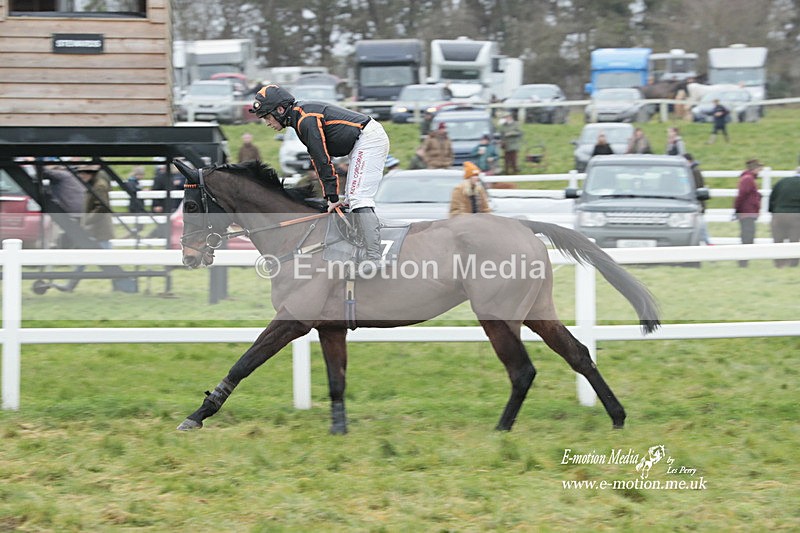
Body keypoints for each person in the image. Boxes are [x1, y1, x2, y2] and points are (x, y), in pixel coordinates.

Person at [250, 83, 390, 273]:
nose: (267, 122)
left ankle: (374, 258)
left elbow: (322, 160)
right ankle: (361, 249)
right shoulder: (299, 116)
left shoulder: (305, 119)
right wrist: (332, 196)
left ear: (280, 110)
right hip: (362, 141)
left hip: (368, 139)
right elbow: (319, 161)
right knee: (350, 199)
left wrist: (331, 197)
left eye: (267, 116)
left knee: (359, 198)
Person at [768, 167, 800, 267]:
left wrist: (773, 212)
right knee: (794, 240)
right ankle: (793, 264)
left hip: (778, 215)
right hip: (796, 216)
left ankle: (779, 264)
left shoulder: (782, 182)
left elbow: (772, 198)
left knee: (778, 240)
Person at [733, 159, 763, 267]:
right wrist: (737, 209)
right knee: (747, 237)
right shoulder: (748, 179)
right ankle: (743, 261)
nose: (760, 171)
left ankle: (744, 261)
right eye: (759, 168)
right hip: (747, 213)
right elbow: (742, 195)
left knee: (748, 236)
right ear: (754, 169)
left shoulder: (748, 178)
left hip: (747, 212)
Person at [684, 153, 710, 245]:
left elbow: (697, 186)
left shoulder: (694, 172)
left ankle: (708, 245)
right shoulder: (694, 170)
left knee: (701, 228)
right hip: (698, 203)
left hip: (697, 204)